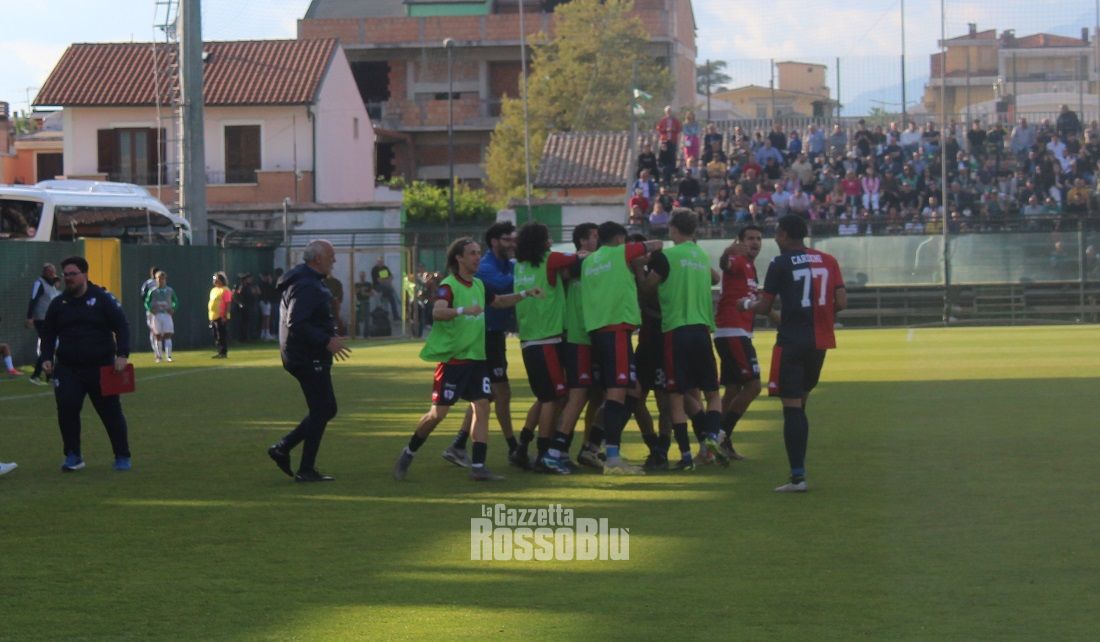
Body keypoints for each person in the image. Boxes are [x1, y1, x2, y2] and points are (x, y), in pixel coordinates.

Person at [392, 237, 537, 482]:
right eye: (472, 253)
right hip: (454, 362)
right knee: (437, 414)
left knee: (482, 406)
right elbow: (438, 312)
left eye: (479, 252)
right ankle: (409, 452)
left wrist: (525, 293)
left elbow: (499, 301)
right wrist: (462, 310)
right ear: (459, 258)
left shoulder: (479, 285)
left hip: (477, 360)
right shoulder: (448, 286)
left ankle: (478, 466)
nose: (477, 257)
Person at [742, 215, 846, 492]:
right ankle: (798, 472)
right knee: (801, 403)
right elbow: (841, 302)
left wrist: (746, 304)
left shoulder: (780, 263)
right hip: (820, 342)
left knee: (792, 408)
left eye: (777, 233)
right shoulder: (829, 260)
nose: (775, 238)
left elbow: (765, 307)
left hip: (791, 342)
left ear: (785, 235)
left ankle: (798, 477)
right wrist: (820, 315)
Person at [643, 209, 725, 471]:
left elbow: (647, 288)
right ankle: (712, 437)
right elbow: (715, 278)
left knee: (675, 396)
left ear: (673, 229)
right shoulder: (701, 255)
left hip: (675, 331)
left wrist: (638, 271)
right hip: (702, 330)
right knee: (712, 393)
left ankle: (686, 456)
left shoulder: (666, 256)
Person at [581, 221, 663, 474]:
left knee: (631, 391)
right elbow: (657, 244)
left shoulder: (590, 261)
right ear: (619, 239)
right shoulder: (620, 252)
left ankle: (591, 446)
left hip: (598, 329)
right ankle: (613, 457)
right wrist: (640, 258)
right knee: (617, 393)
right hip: (616, 328)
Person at [266, 240, 351, 483]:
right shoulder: (306, 284)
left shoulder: (308, 280)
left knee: (324, 408)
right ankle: (296, 460)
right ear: (317, 259)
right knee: (324, 408)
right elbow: (296, 321)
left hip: (304, 353)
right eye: (331, 256)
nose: (334, 260)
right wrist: (326, 340)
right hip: (305, 355)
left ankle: (290, 454)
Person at [40, 256, 133, 472]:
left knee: (110, 412)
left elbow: (122, 326)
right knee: (67, 409)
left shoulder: (102, 299)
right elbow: (48, 333)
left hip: (101, 367)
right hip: (68, 368)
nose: (68, 278)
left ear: (85, 274)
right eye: (66, 275)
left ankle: (122, 454)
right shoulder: (59, 304)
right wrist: (46, 357)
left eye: (73, 274)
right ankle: (73, 455)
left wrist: (122, 354)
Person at [443, 222, 521, 467]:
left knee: (485, 395)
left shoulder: (507, 264)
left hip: (494, 335)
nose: (512, 244)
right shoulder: (486, 268)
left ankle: (458, 445)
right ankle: (514, 448)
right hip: (484, 337)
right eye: (507, 239)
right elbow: (505, 286)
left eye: (514, 239)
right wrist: (531, 277)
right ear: (495, 242)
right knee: (499, 393)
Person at [512, 221, 580, 474]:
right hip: (548, 340)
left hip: (529, 338)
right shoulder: (549, 260)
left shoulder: (520, 265)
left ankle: (522, 446)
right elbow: (576, 259)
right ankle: (543, 454)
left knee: (544, 396)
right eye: (547, 237)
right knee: (554, 398)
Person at [714, 225, 767, 461]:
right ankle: (720, 436)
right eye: (750, 238)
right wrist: (729, 251)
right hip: (733, 330)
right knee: (753, 386)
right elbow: (725, 263)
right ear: (740, 241)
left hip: (736, 331)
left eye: (758, 238)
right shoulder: (736, 259)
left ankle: (716, 439)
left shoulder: (750, 266)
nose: (755, 242)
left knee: (733, 389)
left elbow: (754, 299)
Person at [558, 223, 605, 469]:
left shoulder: (599, 263)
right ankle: (558, 449)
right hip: (577, 338)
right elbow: (565, 275)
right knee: (575, 396)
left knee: (597, 396)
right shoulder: (573, 263)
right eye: (594, 236)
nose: (598, 239)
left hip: (595, 337)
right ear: (583, 241)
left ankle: (588, 448)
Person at [25, 262, 60, 384]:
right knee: (48, 346)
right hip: (41, 319)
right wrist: (29, 317)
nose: (53, 274)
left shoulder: (52, 285)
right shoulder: (39, 283)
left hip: (51, 319)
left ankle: (46, 375)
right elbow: (33, 299)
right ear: (45, 272)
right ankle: (40, 375)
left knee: (50, 346)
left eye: (53, 271)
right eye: (50, 271)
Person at [143, 270, 178, 363]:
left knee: (168, 335)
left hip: (167, 315)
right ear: (156, 280)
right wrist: (150, 309)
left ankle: (168, 356)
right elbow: (146, 302)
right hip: (156, 315)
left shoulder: (170, 290)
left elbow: (176, 301)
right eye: (159, 278)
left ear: (165, 279)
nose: (161, 280)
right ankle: (159, 357)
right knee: (157, 336)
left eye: (162, 278)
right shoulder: (152, 291)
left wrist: (173, 308)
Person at [209, 272, 232, 358]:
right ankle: (219, 351)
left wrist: (225, 315)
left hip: (221, 316)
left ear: (222, 280)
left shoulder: (225, 290)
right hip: (213, 316)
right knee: (216, 335)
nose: (215, 281)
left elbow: (228, 303)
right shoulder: (213, 290)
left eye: (217, 279)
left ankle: (223, 352)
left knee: (221, 335)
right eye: (214, 279)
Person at [139, 266, 159, 358]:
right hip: (152, 310)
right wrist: (149, 305)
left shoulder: (160, 282)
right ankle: (156, 351)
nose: (153, 274)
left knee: (160, 332)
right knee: (153, 330)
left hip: (160, 310)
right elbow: (143, 295)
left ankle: (159, 350)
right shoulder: (148, 283)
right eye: (153, 273)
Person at [354, 271, 374, 338]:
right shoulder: (357, 284)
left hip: (366, 302)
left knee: (367, 318)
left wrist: (365, 293)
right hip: (358, 302)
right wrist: (359, 290)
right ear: (359, 276)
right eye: (361, 276)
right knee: (356, 317)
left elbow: (372, 294)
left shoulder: (368, 284)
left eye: (363, 276)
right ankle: (357, 334)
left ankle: (366, 335)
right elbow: (354, 292)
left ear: (365, 276)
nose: (362, 277)